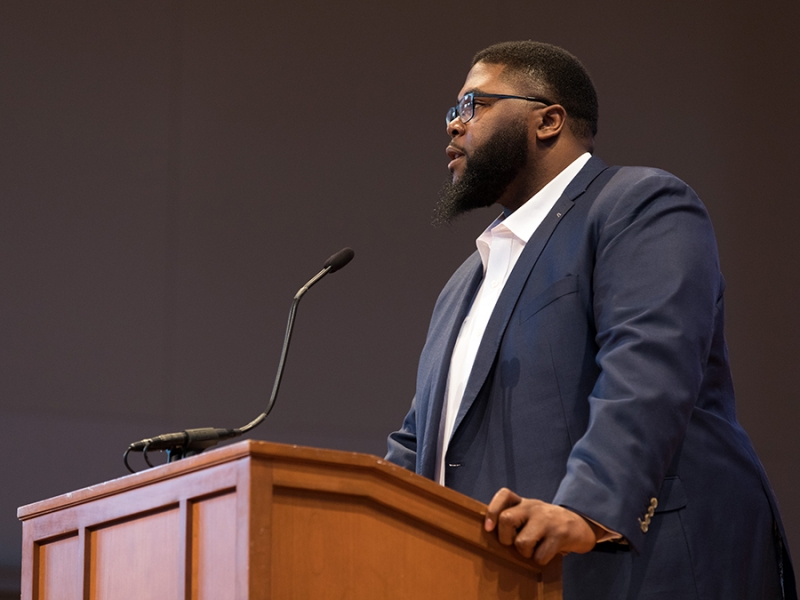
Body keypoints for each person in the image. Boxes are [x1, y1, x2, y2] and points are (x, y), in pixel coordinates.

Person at [386, 41, 797, 599]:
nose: (454, 127)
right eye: (452, 113)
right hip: (496, 577)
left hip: (637, 572)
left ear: (548, 120)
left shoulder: (639, 205)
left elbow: (648, 367)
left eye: (473, 105)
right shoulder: (465, 282)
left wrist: (587, 506)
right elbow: (418, 444)